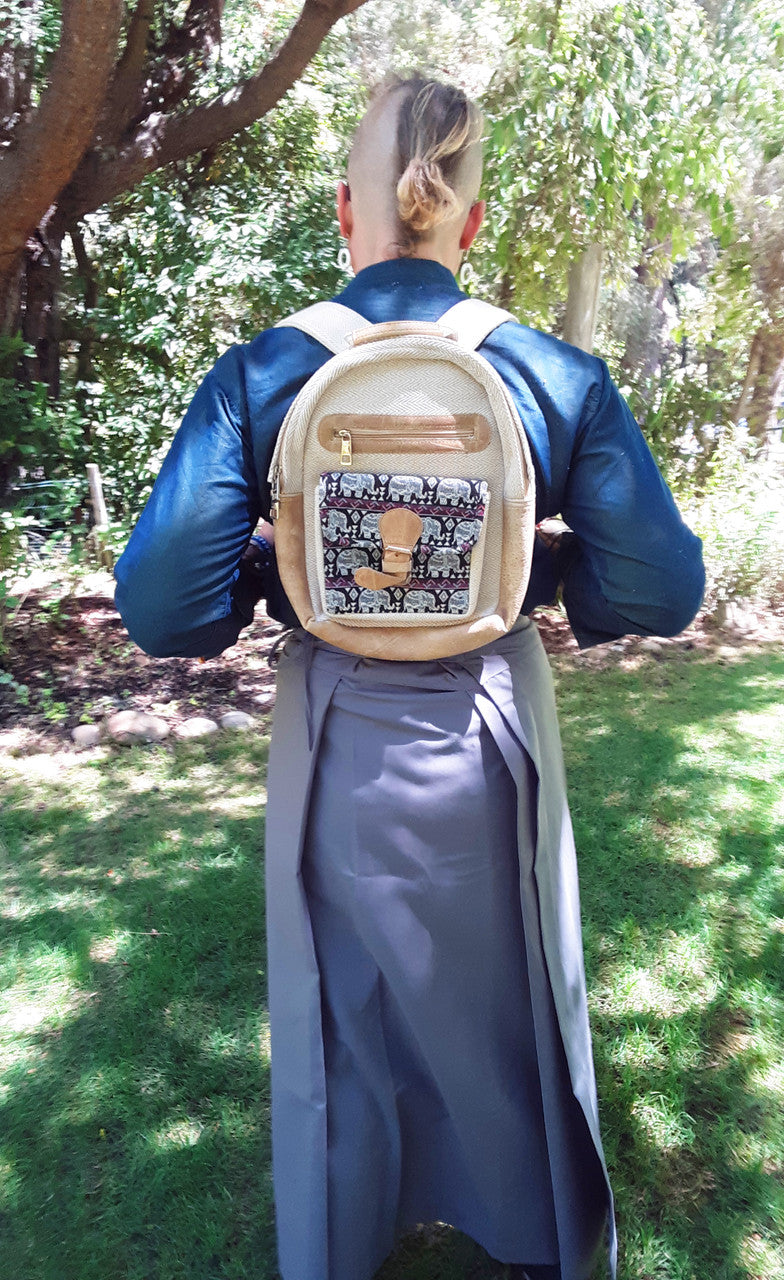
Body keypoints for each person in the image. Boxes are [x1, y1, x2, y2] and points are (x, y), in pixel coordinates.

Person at [115, 76, 705, 1280]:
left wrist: (271, 585)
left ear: (347, 209)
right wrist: (532, 587)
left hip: (333, 737)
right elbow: (661, 587)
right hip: (495, 738)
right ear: (468, 224)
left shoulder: (263, 374)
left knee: (340, 1010)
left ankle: (345, 1234)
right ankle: (531, 1232)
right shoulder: (551, 375)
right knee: (516, 1002)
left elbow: (163, 608)